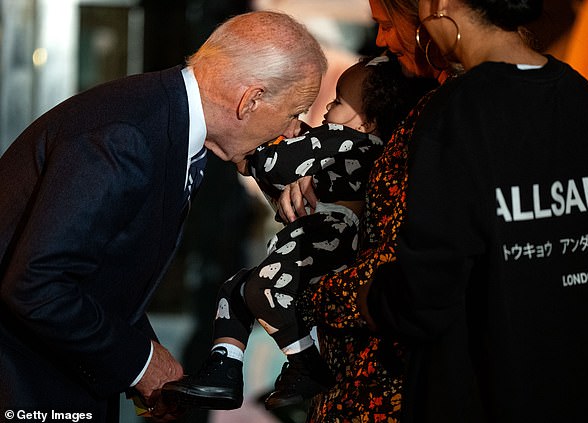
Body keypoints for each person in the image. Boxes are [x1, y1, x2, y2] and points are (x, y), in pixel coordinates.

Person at [0, 10, 325, 422]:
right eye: (295, 112)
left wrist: (149, 364)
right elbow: (36, 286)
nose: (294, 130)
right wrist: (141, 363)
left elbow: (99, 275)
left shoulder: (166, 119)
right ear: (251, 100)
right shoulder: (127, 137)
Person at [359, 0, 588, 421]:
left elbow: (428, 292)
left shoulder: (458, 111)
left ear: (441, 5)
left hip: (492, 392)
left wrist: (375, 298)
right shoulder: (583, 95)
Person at [162, 53, 437, 412]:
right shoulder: (350, 145)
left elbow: (279, 167)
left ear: (367, 121)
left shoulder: (351, 142)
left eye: (338, 101)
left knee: (262, 287)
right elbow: (304, 155)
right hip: (321, 240)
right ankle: (223, 367)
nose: (325, 110)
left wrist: (264, 136)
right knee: (236, 289)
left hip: (330, 238)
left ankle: (305, 364)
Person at [275, 0, 445, 421]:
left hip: (389, 380)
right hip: (356, 374)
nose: (381, 38)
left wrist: (313, 295)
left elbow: (406, 266)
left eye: (388, 23)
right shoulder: (410, 103)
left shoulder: (440, 120)